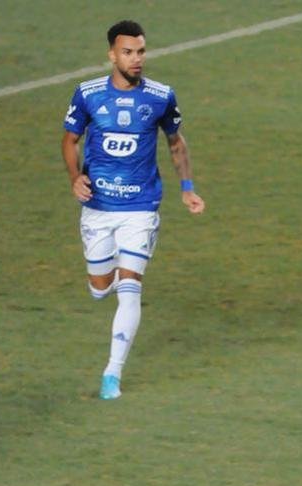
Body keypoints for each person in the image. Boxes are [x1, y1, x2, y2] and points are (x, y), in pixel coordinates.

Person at [61, 20, 205, 400]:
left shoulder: (160, 96)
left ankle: (112, 373)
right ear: (112, 54)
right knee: (100, 287)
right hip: (98, 207)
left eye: (141, 51)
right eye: (128, 52)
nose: (136, 59)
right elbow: (70, 139)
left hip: (140, 206)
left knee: (130, 287)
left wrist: (187, 188)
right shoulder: (89, 94)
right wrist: (75, 177)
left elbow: (176, 143)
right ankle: (102, 281)